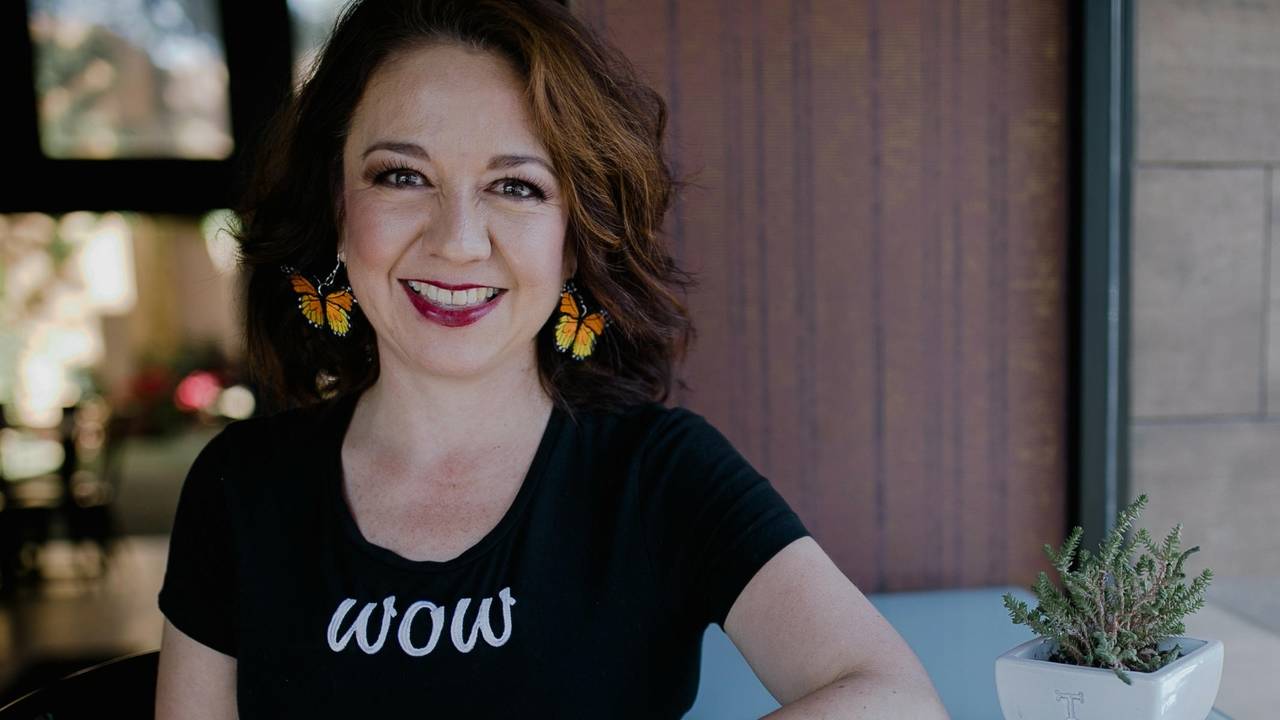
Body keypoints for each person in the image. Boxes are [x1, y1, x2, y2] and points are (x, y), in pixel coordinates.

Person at [154, 1, 947, 717]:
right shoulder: (240, 487)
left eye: (517, 187)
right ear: (336, 207)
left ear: (574, 240)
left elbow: (897, 700)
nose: (458, 242)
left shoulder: (657, 475)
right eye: (402, 176)